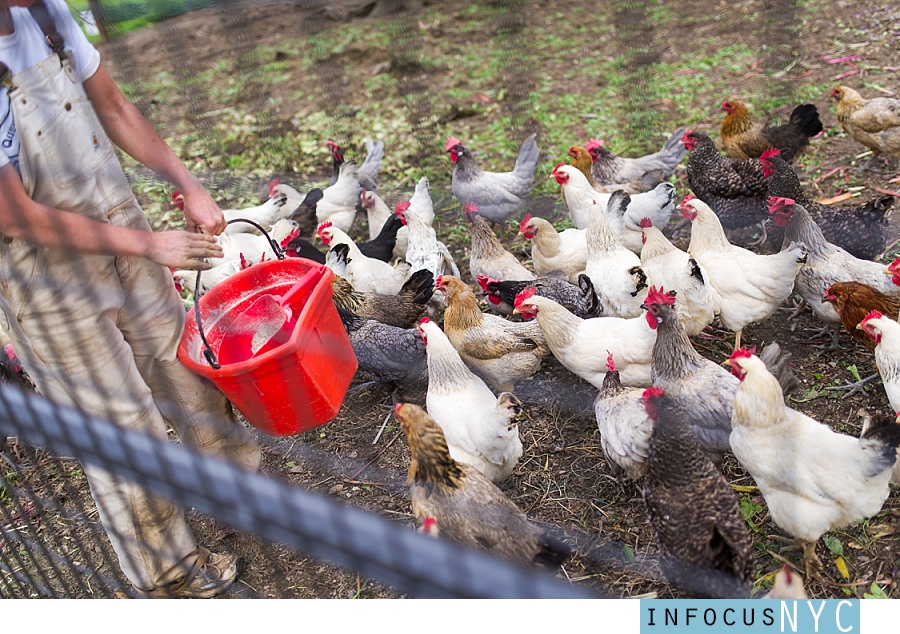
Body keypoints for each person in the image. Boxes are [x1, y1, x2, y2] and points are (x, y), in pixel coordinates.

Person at [0, 0, 261, 597]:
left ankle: (243, 498)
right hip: (45, 268)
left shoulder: (47, 15)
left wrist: (187, 184)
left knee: (182, 360)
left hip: (114, 215)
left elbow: (113, 106)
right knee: (121, 421)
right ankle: (167, 575)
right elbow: (13, 214)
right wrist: (149, 244)